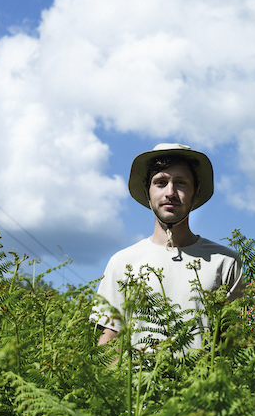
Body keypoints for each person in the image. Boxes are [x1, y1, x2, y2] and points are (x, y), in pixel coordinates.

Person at [92, 143, 243, 349]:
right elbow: (109, 343)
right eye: (161, 183)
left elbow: (236, 344)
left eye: (180, 183)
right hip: (136, 382)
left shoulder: (225, 263)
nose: (170, 192)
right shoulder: (122, 263)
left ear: (196, 194)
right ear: (148, 193)